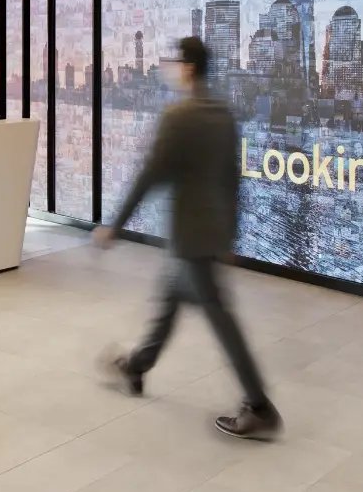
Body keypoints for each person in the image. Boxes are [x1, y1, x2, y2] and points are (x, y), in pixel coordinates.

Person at [94, 36, 281, 441]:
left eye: (177, 63)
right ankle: (136, 367)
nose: (172, 69)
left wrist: (115, 225)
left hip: (191, 237)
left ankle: (260, 405)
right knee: (168, 303)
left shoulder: (179, 116)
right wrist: (231, 234)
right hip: (205, 234)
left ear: (189, 68)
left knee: (220, 318)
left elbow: (148, 176)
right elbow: (234, 181)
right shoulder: (223, 114)